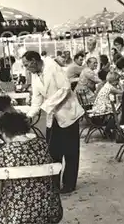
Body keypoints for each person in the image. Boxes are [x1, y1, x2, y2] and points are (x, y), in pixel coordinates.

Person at [0, 112, 63, 224]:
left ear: (4, 133)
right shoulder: (42, 145)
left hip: (15, 216)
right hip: (50, 210)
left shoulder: (3, 152)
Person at [22, 51, 84, 195]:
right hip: (53, 116)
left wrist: (46, 106)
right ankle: (54, 184)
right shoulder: (34, 74)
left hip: (68, 113)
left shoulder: (52, 66)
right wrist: (30, 115)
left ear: (33, 61)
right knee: (53, 151)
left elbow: (65, 88)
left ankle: (69, 184)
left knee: (70, 152)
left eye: (26, 65)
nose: (26, 68)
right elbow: (37, 98)